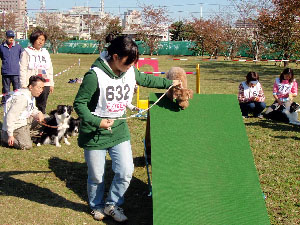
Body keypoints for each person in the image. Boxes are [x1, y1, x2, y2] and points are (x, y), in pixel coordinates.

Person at [73, 35, 181, 222]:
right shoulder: (94, 76)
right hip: (94, 135)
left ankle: (112, 204)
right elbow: (79, 104)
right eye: (127, 62)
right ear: (115, 57)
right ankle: (96, 206)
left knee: (125, 171)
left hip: (119, 131)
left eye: (133, 63)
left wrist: (170, 83)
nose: (131, 67)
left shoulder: (130, 71)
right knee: (97, 176)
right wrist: (98, 122)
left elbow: (147, 80)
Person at [1, 76, 45, 150]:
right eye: (39, 87)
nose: (41, 90)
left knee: (45, 118)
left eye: (42, 88)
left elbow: (32, 108)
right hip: (16, 126)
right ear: (31, 87)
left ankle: (25, 134)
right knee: (26, 145)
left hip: (25, 121)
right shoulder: (22, 98)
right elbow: (10, 116)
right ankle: (4, 137)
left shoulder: (30, 95)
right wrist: (10, 135)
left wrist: (39, 113)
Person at [20, 29, 54, 114]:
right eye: (39, 39)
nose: (41, 42)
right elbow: (22, 69)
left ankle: (40, 123)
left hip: (44, 82)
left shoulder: (45, 52)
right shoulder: (26, 52)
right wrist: (23, 84)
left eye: (43, 40)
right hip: (31, 83)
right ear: (34, 39)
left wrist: (51, 83)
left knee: (42, 105)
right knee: (28, 104)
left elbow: (49, 69)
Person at [0, 30, 23, 104]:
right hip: (6, 72)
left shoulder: (18, 47)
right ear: (6, 37)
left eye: (12, 37)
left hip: (16, 72)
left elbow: (21, 57)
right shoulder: (1, 47)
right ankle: (5, 102)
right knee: (6, 89)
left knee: (17, 89)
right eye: (10, 37)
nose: (11, 39)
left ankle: (17, 102)